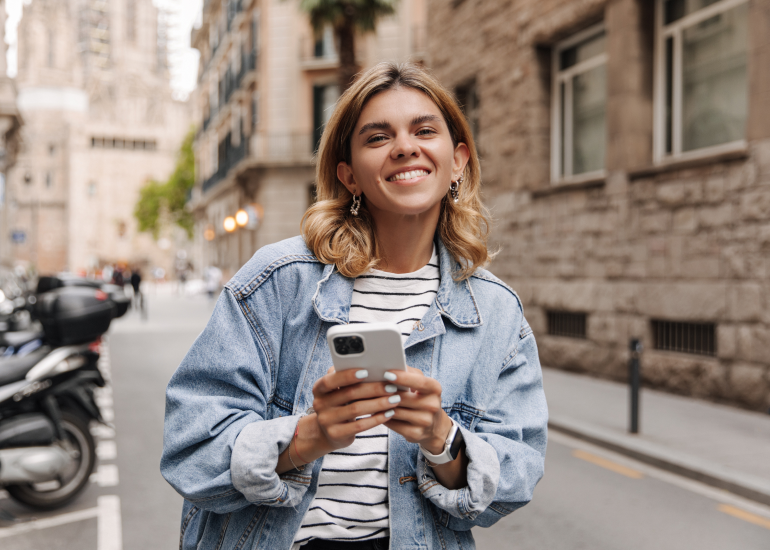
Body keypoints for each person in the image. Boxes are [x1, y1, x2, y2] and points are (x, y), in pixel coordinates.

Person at [161, 62, 547, 550]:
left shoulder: (496, 312)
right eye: (377, 137)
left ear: (458, 161)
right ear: (349, 176)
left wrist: (443, 440)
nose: (406, 146)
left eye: (425, 130)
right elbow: (189, 448)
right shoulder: (278, 281)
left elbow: (517, 475)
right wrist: (308, 437)